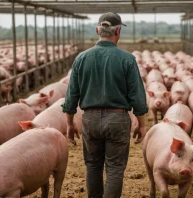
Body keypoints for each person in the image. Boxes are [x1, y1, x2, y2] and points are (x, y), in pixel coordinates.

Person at [62, 12, 148, 198]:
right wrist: (142, 124)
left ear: (97, 31)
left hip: (90, 119)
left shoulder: (82, 58)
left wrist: (69, 123)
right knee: (115, 168)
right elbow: (137, 96)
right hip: (117, 118)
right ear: (118, 31)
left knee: (92, 165)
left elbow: (71, 97)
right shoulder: (127, 59)